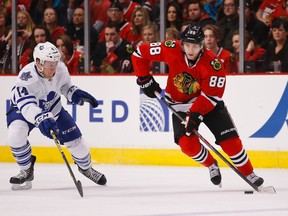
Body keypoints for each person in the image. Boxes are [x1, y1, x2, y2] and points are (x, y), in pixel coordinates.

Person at [132, 24, 264, 188]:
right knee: (187, 145)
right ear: (182, 43)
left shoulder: (213, 64)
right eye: (187, 45)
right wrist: (144, 79)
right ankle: (211, 164)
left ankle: (249, 173)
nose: (190, 49)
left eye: (195, 45)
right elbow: (139, 53)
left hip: (207, 104)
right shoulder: (171, 48)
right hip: (180, 105)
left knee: (231, 142)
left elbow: (211, 95)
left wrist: (195, 114)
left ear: (202, 45)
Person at [6, 41, 107, 190]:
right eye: (49, 63)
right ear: (38, 62)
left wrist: (75, 93)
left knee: (79, 145)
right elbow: (27, 106)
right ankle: (26, 169)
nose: (53, 67)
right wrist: (41, 118)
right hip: (23, 112)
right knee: (15, 134)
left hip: (53, 109)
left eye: (55, 62)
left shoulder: (60, 69)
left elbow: (65, 86)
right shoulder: (26, 78)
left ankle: (86, 168)